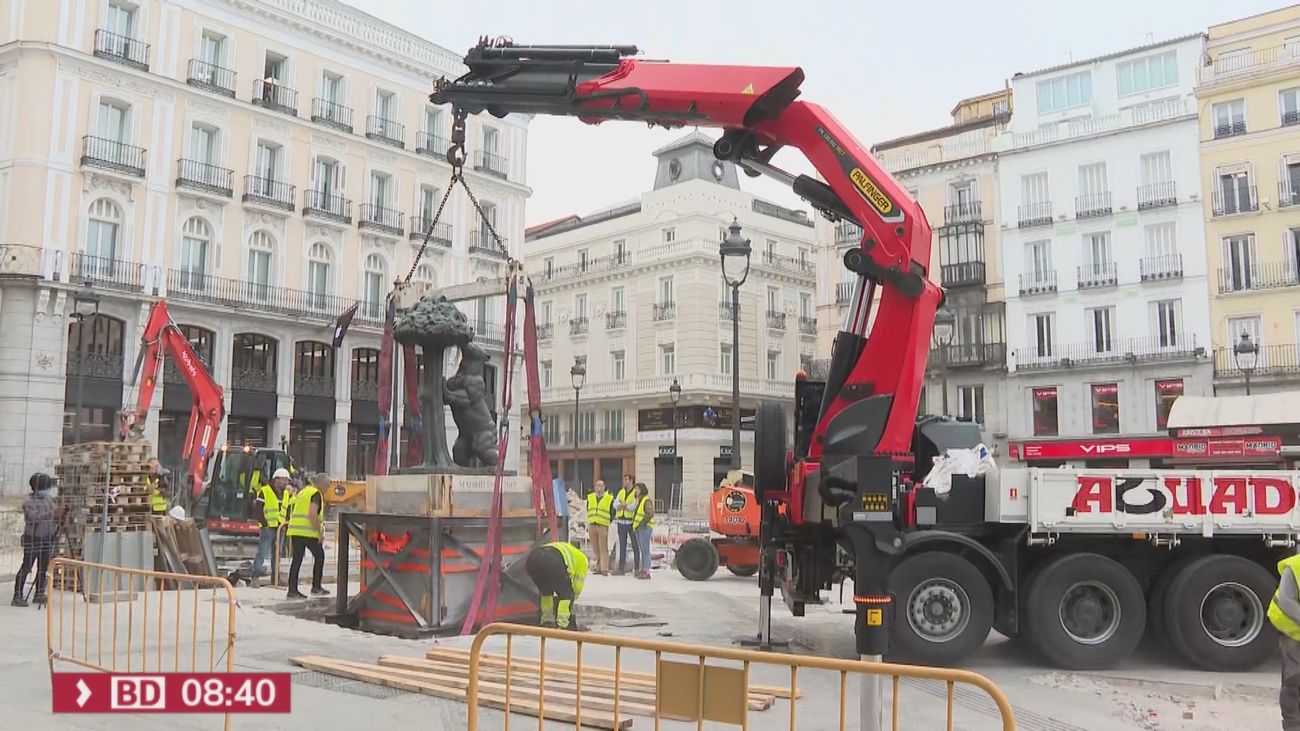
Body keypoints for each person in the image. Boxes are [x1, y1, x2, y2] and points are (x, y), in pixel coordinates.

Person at [13, 473, 59, 607]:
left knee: (43, 568)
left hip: (46, 538)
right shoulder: (28, 500)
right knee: (27, 567)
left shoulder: (49, 499)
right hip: (32, 538)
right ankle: (17, 596)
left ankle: (39, 594)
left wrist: (61, 513)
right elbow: (33, 517)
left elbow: (54, 515)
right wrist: (51, 513)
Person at [524, 540, 588, 630]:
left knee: (546, 591)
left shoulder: (564, 547)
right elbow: (577, 587)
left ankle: (547, 620)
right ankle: (563, 623)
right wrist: (571, 599)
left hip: (533, 559)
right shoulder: (583, 559)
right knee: (566, 594)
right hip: (553, 560)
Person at [1268, 551, 1300, 730]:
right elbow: (1287, 603)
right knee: (1294, 677)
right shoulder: (1295, 567)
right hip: (1291, 627)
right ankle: (1292, 724)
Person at [285, 472, 329, 599]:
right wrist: (319, 532)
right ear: (321, 484)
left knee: (297, 560)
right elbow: (312, 514)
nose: (327, 488)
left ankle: (292, 590)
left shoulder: (304, 491)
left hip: (295, 531)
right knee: (320, 556)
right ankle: (316, 587)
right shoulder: (316, 494)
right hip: (307, 532)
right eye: (327, 485)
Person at [248, 467, 290, 586]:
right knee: (262, 552)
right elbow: (258, 510)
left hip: (280, 528)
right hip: (268, 529)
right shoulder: (265, 491)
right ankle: (255, 577)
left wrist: (285, 523)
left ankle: (275, 578)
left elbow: (286, 510)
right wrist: (265, 524)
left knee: (277, 555)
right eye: (284, 480)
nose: (286, 483)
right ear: (276, 479)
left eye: (287, 480)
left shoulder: (286, 494)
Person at [585, 480, 614, 576]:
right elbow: (588, 508)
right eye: (597, 485)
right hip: (592, 524)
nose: (599, 487)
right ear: (594, 487)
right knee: (595, 547)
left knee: (603, 548)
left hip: (602, 525)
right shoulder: (590, 497)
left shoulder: (609, 498)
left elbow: (612, 512)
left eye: (601, 485)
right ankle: (598, 567)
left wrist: (607, 521)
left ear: (604, 487)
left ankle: (604, 568)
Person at [612, 474, 637, 575]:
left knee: (635, 545)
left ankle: (637, 567)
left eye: (626, 479)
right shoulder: (621, 492)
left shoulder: (635, 492)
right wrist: (624, 506)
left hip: (631, 522)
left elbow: (633, 506)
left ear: (631, 480)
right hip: (621, 522)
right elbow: (615, 504)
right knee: (622, 545)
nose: (624, 481)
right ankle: (621, 568)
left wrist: (623, 506)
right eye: (624, 479)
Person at [631, 482, 655, 580]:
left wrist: (642, 524)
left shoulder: (646, 500)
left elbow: (649, 513)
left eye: (638, 489)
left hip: (644, 528)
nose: (636, 491)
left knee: (645, 551)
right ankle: (643, 569)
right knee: (642, 550)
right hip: (638, 528)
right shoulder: (638, 500)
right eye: (635, 489)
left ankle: (646, 571)